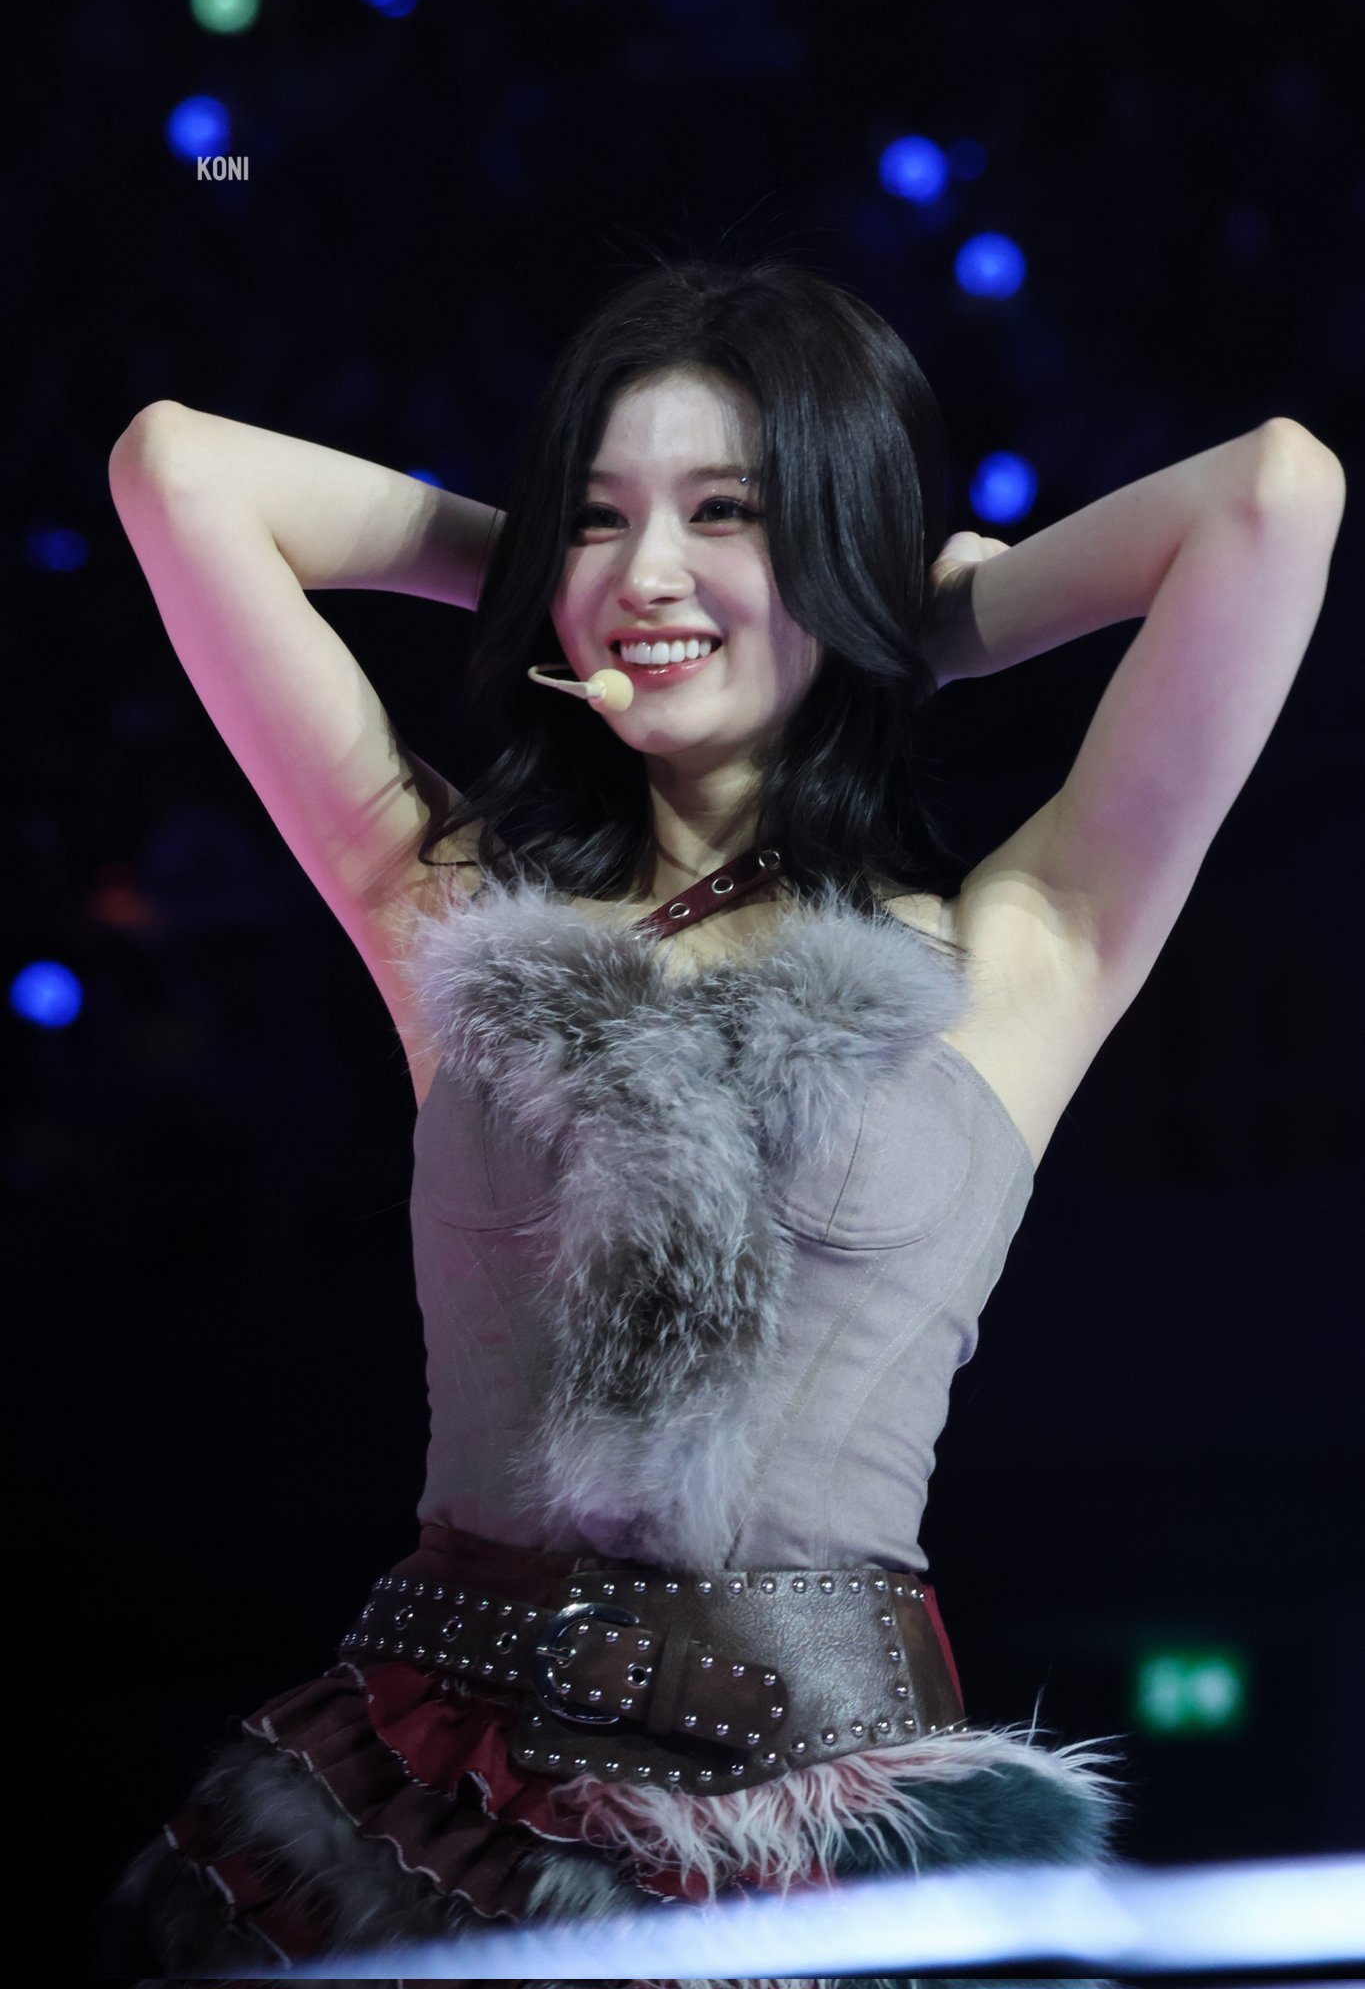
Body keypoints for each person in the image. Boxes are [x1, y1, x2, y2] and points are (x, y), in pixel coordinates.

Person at [95, 255, 1345, 1987]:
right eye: (599, 516)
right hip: (424, 1794)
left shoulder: (1021, 948)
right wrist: (545, 576)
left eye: (728, 512)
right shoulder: (447, 911)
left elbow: (1274, 495)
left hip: (827, 1837)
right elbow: (175, 470)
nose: (649, 572)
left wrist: (915, 609)